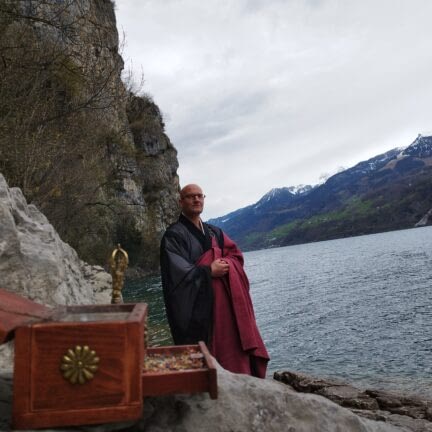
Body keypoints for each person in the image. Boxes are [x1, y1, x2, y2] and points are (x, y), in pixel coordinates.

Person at [160, 183, 269, 378]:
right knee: (202, 360)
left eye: (200, 196)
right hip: (198, 311)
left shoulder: (214, 232)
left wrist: (227, 263)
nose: (196, 200)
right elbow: (175, 275)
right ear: (180, 202)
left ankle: (240, 374)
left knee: (231, 346)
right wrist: (208, 270)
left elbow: (236, 256)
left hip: (224, 308)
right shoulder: (174, 235)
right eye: (190, 196)